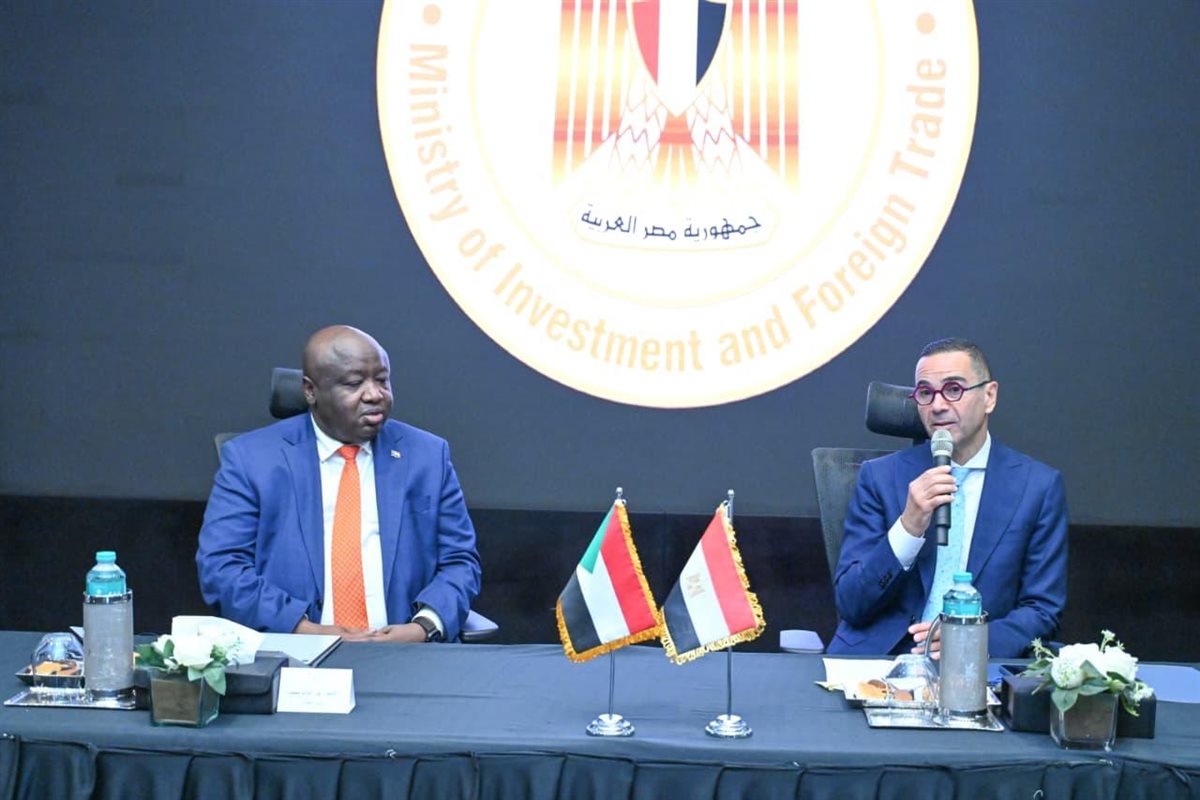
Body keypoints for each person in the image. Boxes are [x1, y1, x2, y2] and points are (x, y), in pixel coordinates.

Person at [196, 325, 481, 642]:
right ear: (310, 391)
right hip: (294, 652)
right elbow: (223, 568)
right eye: (354, 383)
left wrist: (423, 627)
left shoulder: (427, 455)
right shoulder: (252, 459)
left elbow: (460, 562)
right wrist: (305, 631)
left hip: (407, 651)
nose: (374, 394)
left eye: (382, 380)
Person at [827, 338, 1067, 658]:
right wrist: (908, 527)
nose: (938, 406)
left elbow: (1042, 610)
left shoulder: (1038, 486)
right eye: (925, 393)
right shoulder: (879, 477)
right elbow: (851, 603)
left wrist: (973, 640)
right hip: (882, 660)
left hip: (975, 663)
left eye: (953, 389)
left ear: (989, 396)